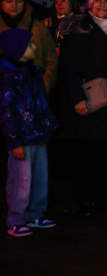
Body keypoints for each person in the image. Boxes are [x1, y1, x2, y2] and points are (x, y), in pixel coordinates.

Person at [56, 0, 107, 216]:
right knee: (88, 154)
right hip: (88, 98)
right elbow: (68, 67)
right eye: (98, 0)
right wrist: (77, 98)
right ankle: (87, 201)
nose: (102, 5)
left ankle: (106, 199)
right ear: (90, 3)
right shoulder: (78, 29)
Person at [1, 28, 58, 237]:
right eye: (30, 44)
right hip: (22, 138)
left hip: (37, 134)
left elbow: (39, 102)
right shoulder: (8, 77)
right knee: (20, 179)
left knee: (39, 177)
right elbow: (6, 113)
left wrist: (47, 125)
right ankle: (15, 217)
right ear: (18, 49)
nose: (34, 47)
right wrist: (14, 142)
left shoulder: (31, 73)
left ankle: (35, 213)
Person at [0, 0, 58, 94]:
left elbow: (51, 61)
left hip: (34, 97)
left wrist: (42, 89)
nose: (14, 6)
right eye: (9, 1)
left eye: (19, 1)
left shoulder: (37, 26)